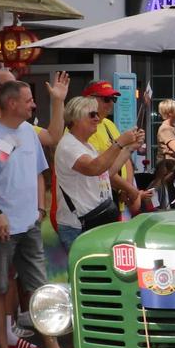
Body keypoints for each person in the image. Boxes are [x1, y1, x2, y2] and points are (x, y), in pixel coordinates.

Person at [0, 79, 72, 348]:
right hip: (0, 229)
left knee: (40, 288)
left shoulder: (26, 131)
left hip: (28, 224)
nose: (33, 104)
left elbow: (52, 139)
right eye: (28, 100)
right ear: (12, 103)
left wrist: (58, 101)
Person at [54, 95, 138, 249]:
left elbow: (107, 171)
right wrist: (120, 142)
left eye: (97, 115)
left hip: (94, 222)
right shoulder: (68, 145)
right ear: (76, 118)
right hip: (78, 227)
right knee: (87, 272)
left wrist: (129, 148)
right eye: (92, 114)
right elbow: (94, 168)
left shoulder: (86, 146)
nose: (97, 119)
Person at [80, 79, 143, 212]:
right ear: (89, 99)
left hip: (113, 198)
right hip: (95, 203)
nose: (111, 104)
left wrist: (127, 187)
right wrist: (129, 189)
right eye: (106, 99)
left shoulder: (109, 124)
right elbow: (100, 168)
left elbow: (125, 159)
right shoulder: (83, 128)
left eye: (113, 99)